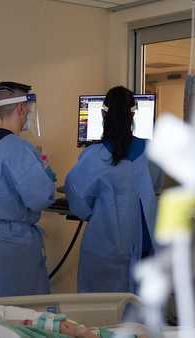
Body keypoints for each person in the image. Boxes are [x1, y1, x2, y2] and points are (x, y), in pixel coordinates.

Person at [65, 86, 158, 293]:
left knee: (103, 312)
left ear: (102, 114)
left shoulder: (94, 156)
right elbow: (156, 188)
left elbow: (78, 201)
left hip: (106, 249)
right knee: (141, 314)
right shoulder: (152, 152)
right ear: (133, 114)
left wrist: (95, 212)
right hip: (145, 247)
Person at [0, 81, 56, 297]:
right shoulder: (19, 149)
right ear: (21, 108)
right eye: (27, 109)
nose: (28, 114)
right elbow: (40, 197)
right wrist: (47, 178)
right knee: (24, 314)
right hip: (12, 243)